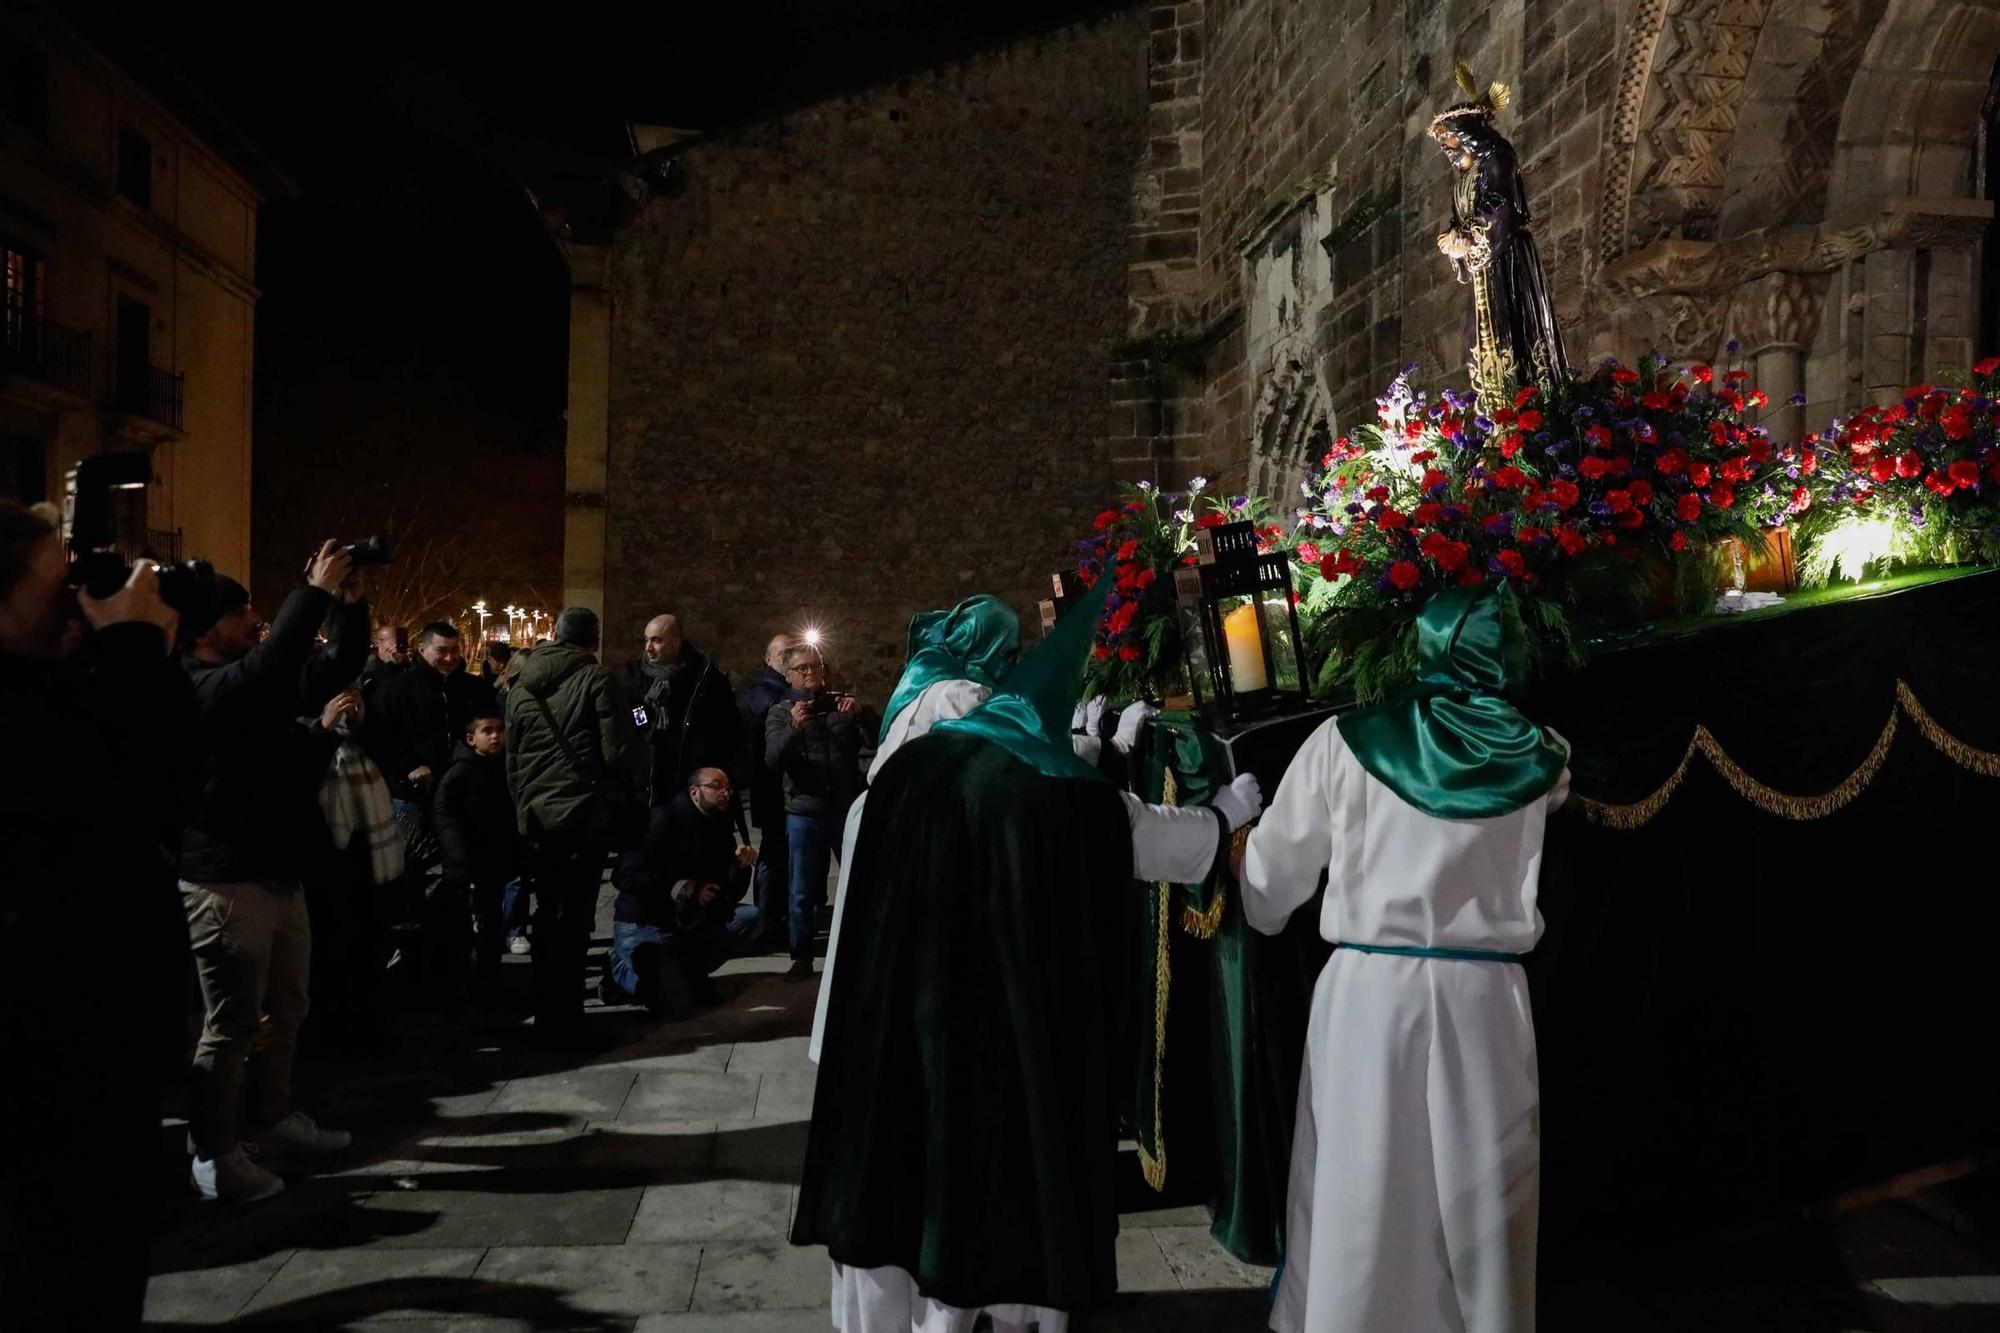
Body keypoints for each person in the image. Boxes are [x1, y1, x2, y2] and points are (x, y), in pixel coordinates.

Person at [793, 577, 1263, 1332]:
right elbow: (1156, 837)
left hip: (889, 1020)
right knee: (986, 1195)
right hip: (991, 1030)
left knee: (889, 1196)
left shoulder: (904, 773)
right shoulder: (1061, 794)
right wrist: (1228, 811)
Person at [1238, 585, 1569, 1333]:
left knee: (1363, 1188)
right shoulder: (1542, 757)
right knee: (1481, 1198)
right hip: (1483, 1006)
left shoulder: (1343, 742)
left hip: (1369, 998)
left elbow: (1270, 880)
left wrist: (1253, 890)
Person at [0, 501, 195, 1325]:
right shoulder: (34, 714)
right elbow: (136, 791)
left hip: (92, 1063)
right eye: (60, 583)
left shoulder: (53, 694)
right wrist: (132, 646)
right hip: (49, 1074)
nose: (77, 598)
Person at [179, 541, 371, 1202]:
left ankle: (273, 1115)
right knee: (230, 1024)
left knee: (289, 1006)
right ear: (208, 626)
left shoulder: (249, 676)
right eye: (243, 612)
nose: (256, 619)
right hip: (226, 880)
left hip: (279, 870)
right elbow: (270, 666)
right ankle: (214, 1149)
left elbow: (329, 667)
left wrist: (348, 607)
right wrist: (310, 590)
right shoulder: (197, 683)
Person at [506, 606, 625, 1046]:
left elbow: (512, 760)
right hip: (580, 815)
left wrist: (524, 808)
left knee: (545, 913)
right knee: (575, 918)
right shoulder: (598, 680)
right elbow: (615, 752)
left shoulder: (520, 689)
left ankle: (544, 1011)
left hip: (537, 819)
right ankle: (568, 1019)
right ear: (592, 640)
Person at [603, 767, 760, 1015]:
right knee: (674, 1005)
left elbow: (728, 893)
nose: (726, 793)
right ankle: (618, 969)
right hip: (644, 922)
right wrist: (679, 888)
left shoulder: (719, 826)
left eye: (728, 788)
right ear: (694, 791)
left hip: (687, 922)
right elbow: (623, 876)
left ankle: (687, 977)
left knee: (748, 917)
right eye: (717, 786)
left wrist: (739, 867)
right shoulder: (662, 820)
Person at [764, 641, 867, 978]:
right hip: (804, 811)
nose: (811, 674)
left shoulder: (840, 705)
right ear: (789, 674)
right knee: (801, 888)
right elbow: (774, 760)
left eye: (816, 667)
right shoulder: (780, 712)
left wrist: (862, 716)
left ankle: (859, 948)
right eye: (802, 669)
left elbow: (876, 741)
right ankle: (802, 955)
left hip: (842, 809)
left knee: (856, 882)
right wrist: (795, 729)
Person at [433, 712, 523, 1008]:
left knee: (491, 922)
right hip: (471, 860)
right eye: (488, 731)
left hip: (495, 858)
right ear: (472, 739)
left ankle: (490, 977)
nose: (496, 736)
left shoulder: (503, 766)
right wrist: (458, 857)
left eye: (499, 730)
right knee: (474, 925)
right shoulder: (461, 772)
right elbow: (445, 815)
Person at [620, 613, 740, 808]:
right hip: (647, 777)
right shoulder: (635, 677)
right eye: (646, 640)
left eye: (656, 641)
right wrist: (643, 725)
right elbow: (632, 711)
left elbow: (726, 730)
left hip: (689, 778)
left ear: (676, 643)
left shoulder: (707, 680)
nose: (648, 648)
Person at [739, 632, 797, 948]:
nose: (790, 658)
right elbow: (767, 715)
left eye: (794, 652)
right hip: (771, 788)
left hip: (784, 788)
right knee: (773, 855)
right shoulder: (764, 691)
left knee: (783, 855)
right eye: (784, 653)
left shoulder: (786, 689)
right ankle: (767, 920)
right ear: (769, 659)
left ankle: (780, 915)